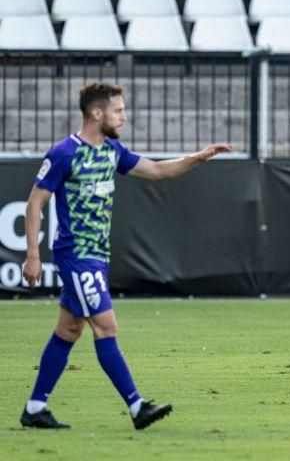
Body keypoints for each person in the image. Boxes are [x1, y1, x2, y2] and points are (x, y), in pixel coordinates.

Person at [21, 82, 232, 430]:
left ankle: (35, 408)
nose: (124, 116)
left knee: (69, 330)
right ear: (96, 113)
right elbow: (34, 202)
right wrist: (32, 254)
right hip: (76, 256)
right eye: (118, 110)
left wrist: (198, 158)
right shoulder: (64, 153)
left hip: (96, 257)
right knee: (106, 327)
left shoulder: (112, 151)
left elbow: (157, 170)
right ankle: (137, 408)